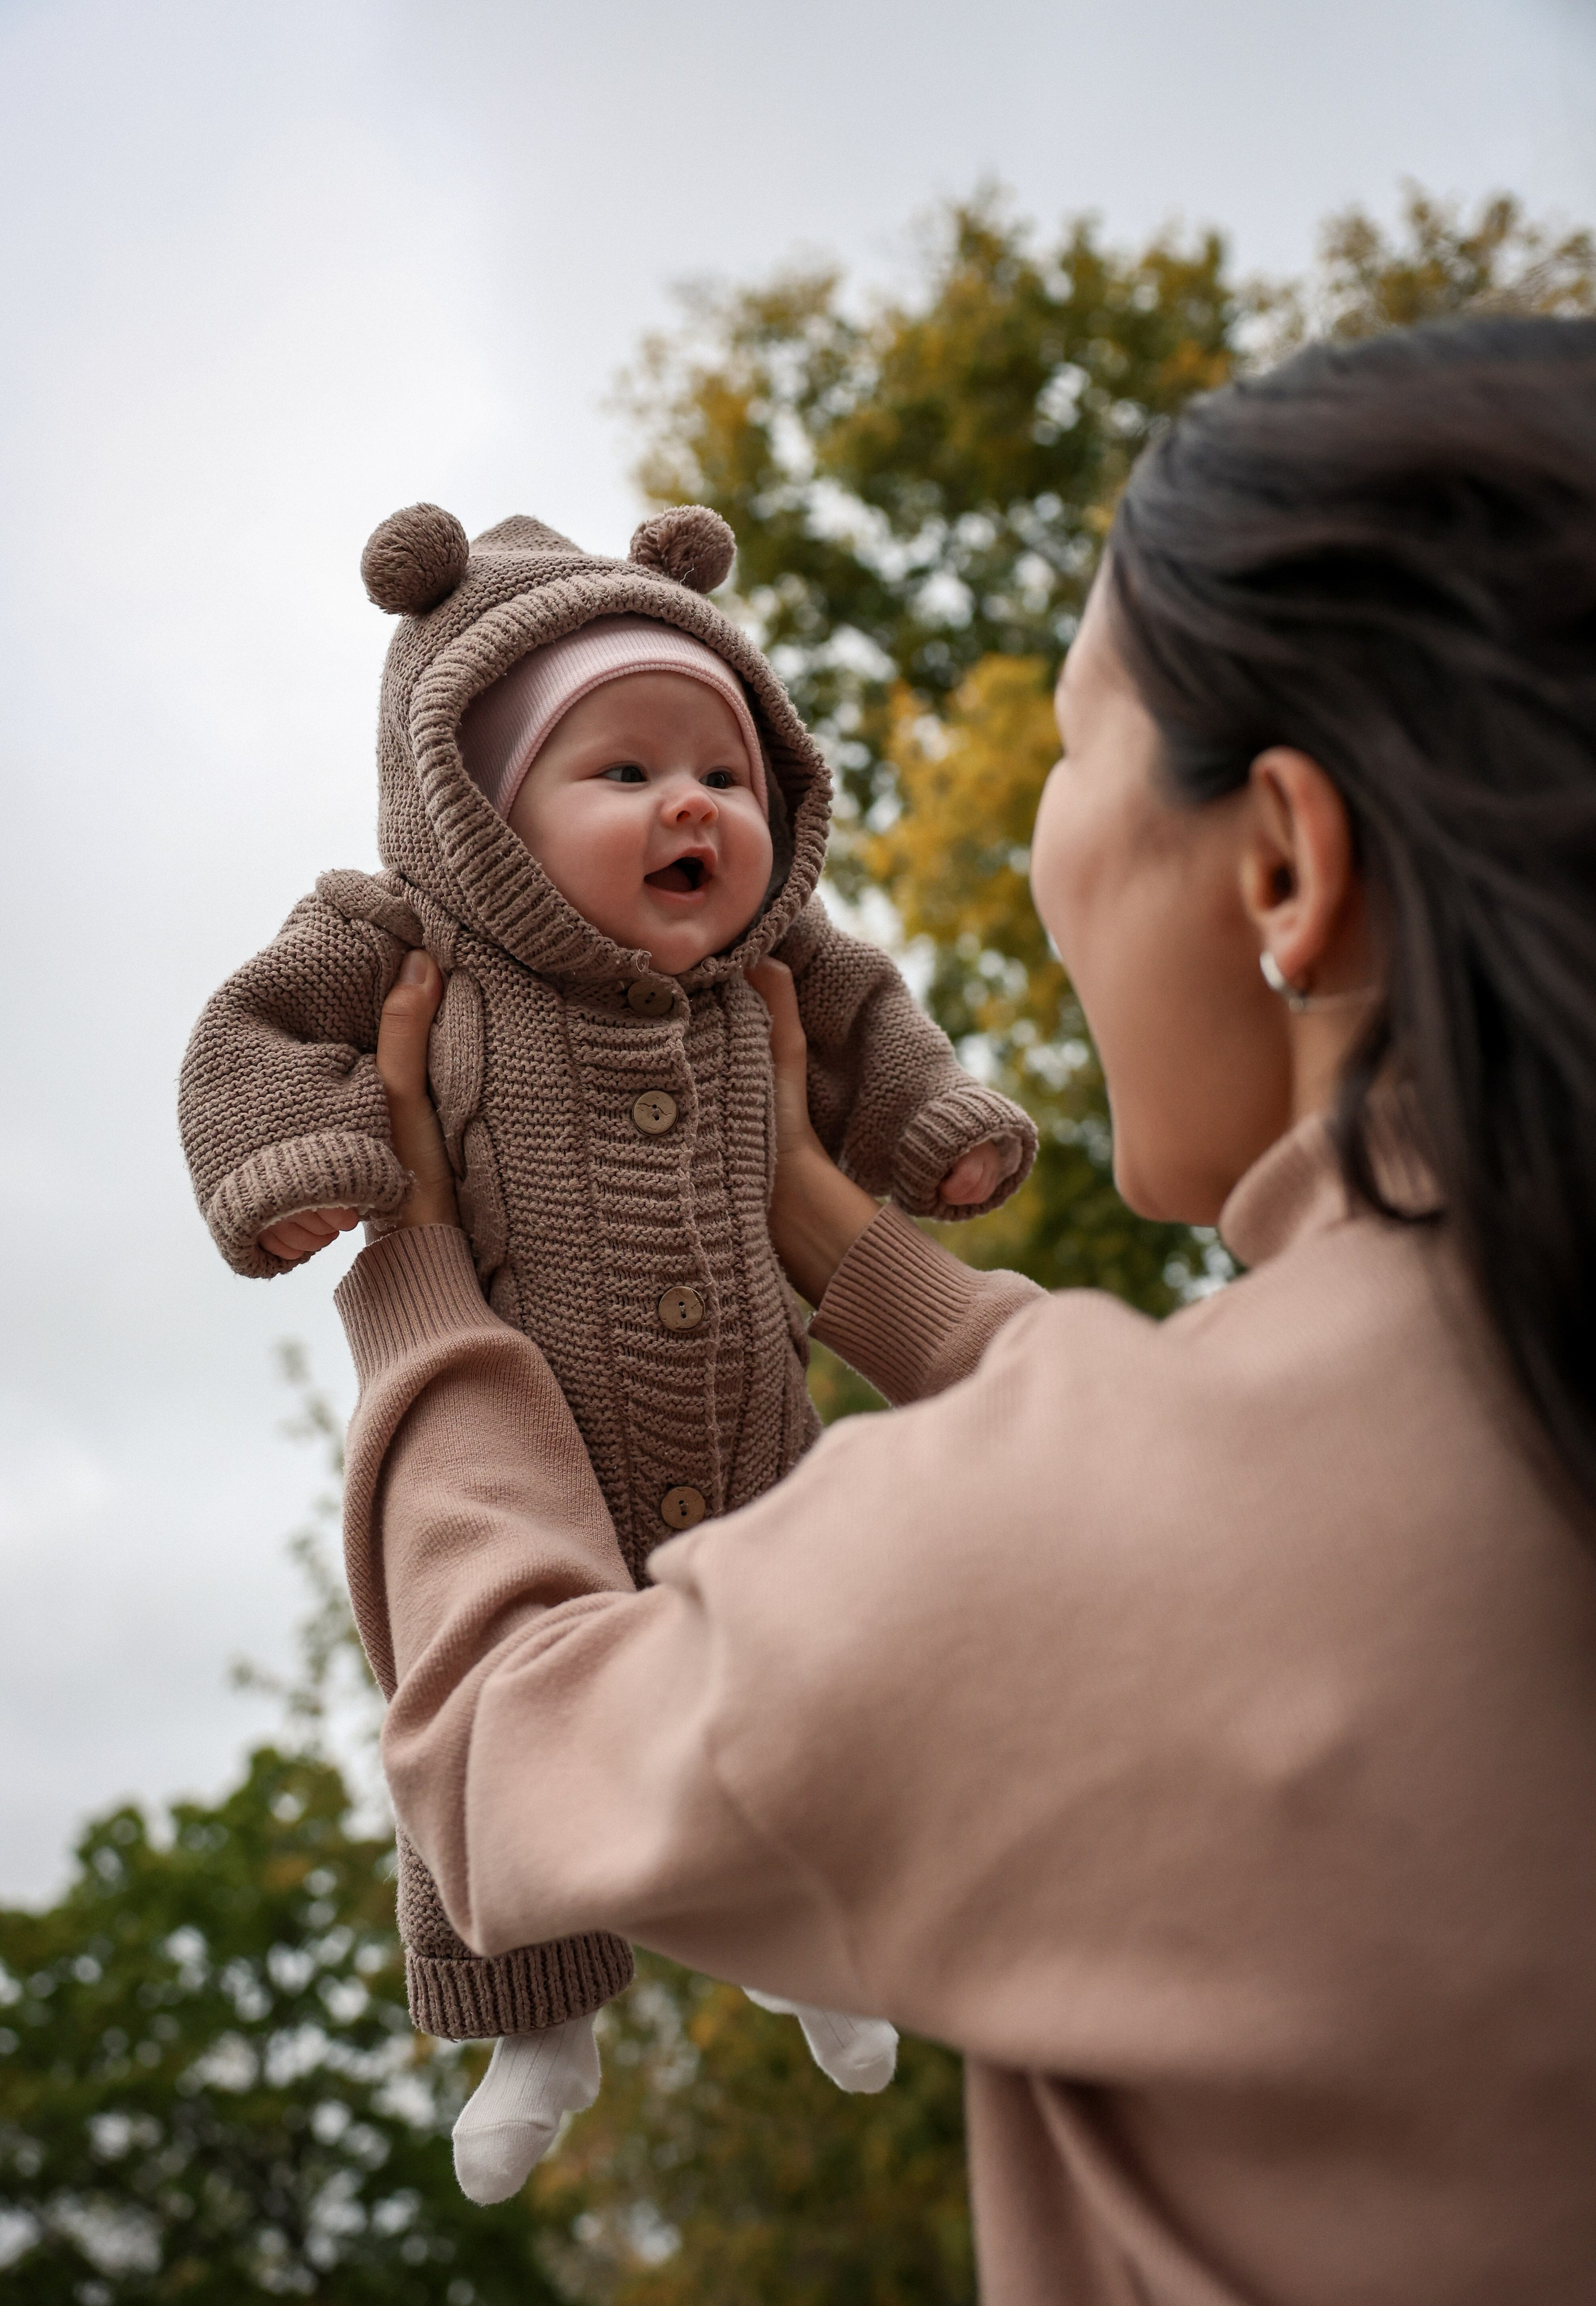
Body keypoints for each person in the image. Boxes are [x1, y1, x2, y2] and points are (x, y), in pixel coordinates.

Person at [332, 318, 1596, 2306]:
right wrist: (824, 1216)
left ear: (1283, 861)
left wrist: (418, 1272)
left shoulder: (1096, 1550)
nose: (1036, 845)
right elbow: (1206, 1464)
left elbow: (511, 1770)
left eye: (1075, 753)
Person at [176, 502, 1035, 2200]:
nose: (690, 804)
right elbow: (253, 1029)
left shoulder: (777, 975)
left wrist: (930, 1131)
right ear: (480, 824)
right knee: (481, 1713)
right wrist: (296, 1167)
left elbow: (875, 1030)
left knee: (804, 1677)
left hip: (751, 1433)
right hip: (533, 1441)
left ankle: (805, 1942)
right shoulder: (407, 951)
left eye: (722, 770)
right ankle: (536, 2026)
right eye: (622, 775)